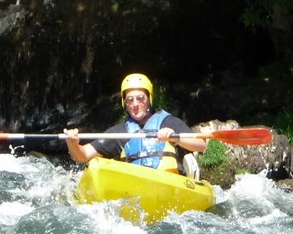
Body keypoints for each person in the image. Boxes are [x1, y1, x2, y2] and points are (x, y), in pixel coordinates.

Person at [64, 73, 206, 174]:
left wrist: (176, 138)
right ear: (124, 104)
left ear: (149, 99)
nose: (135, 104)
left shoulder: (168, 122)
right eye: (130, 100)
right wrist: (72, 143)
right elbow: (82, 155)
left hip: (170, 183)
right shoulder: (120, 132)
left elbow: (200, 145)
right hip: (136, 189)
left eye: (140, 98)